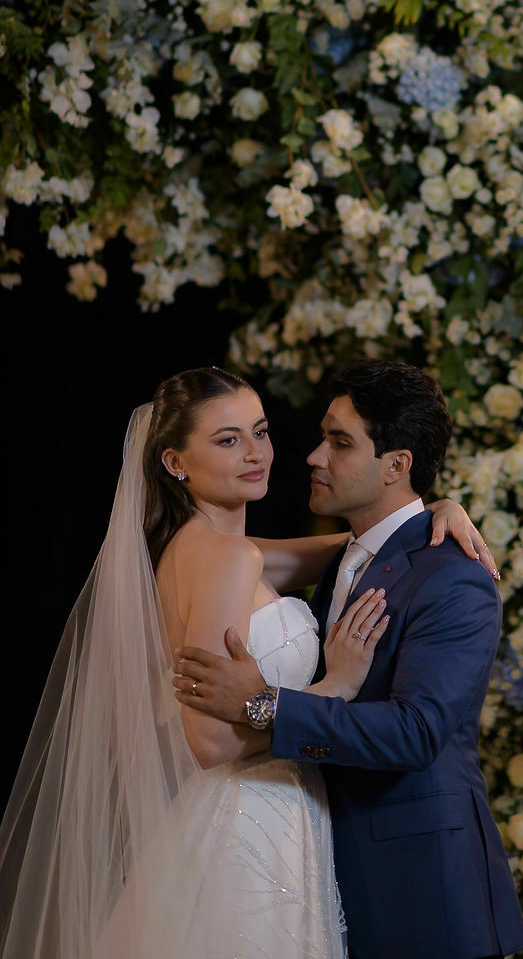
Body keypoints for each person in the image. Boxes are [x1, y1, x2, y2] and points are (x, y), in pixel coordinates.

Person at [0, 364, 493, 959]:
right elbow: (207, 741)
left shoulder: (216, 552)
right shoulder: (225, 560)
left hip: (280, 822)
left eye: (259, 432)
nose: (260, 453)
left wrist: (437, 507)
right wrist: (333, 685)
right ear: (175, 462)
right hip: (251, 826)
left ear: (396, 463)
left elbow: (363, 544)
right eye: (227, 440)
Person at [175, 356, 523, 959]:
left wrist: (263, 705)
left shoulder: (455, 580)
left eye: (340, 443)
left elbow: (416, 733)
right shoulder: (344, 558)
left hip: (422, 889)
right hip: (320, 869)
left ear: (396, 465)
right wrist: (437, 505)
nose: (313, 456)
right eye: (322, 437)